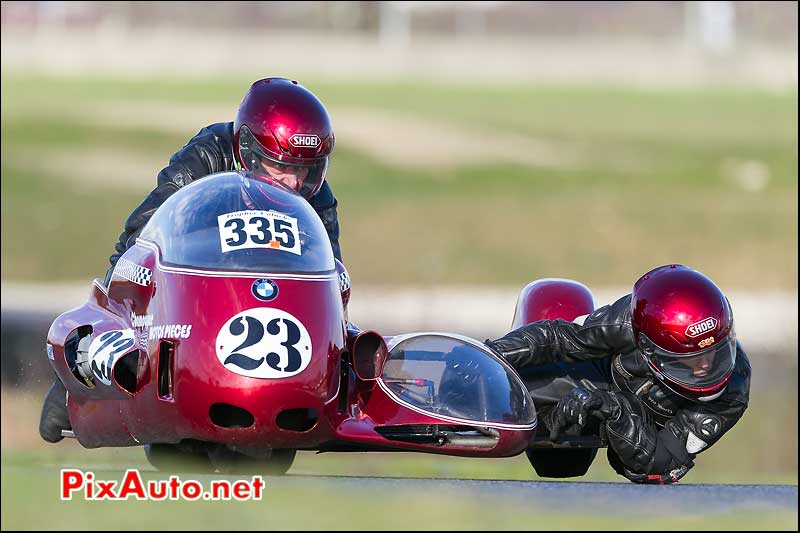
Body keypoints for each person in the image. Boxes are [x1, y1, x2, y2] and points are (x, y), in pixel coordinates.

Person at [39, 77, 342, 443]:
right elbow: (143, 233)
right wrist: (116, 309)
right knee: (133, 264)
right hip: (203, 289)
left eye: (304, 169)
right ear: (247, 148)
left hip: (269, 303)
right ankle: (81, 378)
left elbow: (330, 276)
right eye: (281, 166)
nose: (293, 182)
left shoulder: (315, 194)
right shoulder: (205, 158)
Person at [485, 264, 751, 484]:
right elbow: (561, 337)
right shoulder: (627, 322)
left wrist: (613, 408)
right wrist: (490, 356)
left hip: (644, 427)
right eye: (688, 359)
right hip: (603, 378)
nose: (705, 365)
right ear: (647, 346)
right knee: (554, 455)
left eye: (715, 351)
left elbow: (661, 463)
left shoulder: (732, 391)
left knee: (633, 465)